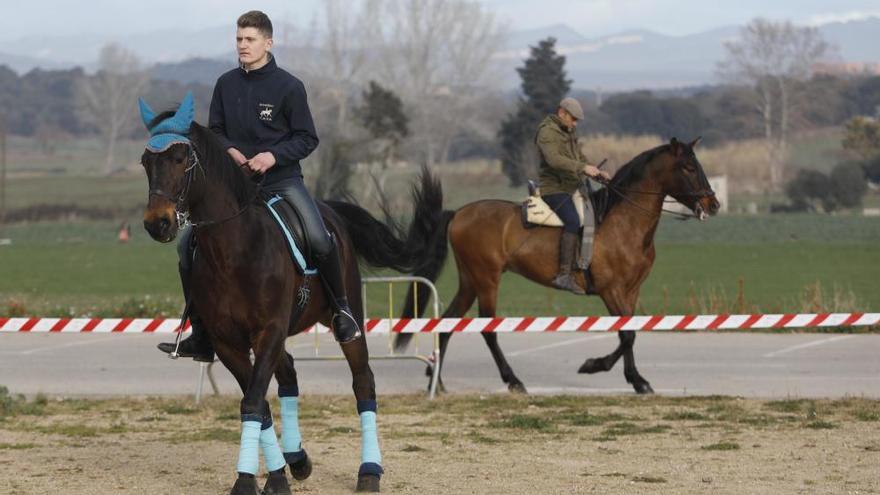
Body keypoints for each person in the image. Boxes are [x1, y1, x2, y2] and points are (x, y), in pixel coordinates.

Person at [158, 10, 361, 362]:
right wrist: (231, 152)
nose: (242, 46)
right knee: (187, 244)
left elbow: (307, 138)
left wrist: (272, 156)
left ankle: (342, 312)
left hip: (282, 182)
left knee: (318, 237)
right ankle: (200, 332)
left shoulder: (289, 87)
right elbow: (215, 132)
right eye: (238, 39)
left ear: (268, 42)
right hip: (236, 190)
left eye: (249, 40)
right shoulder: (225, 84)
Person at [536, 97, 610, 295]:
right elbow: (554, 160)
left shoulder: (568, 130)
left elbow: (578, 158)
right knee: (572, 221)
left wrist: (594, 170)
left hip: (572, 186)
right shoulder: (547, 132)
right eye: (573, 119)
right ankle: (564, 275)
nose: (575, 123)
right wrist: (582, 167)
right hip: (554, 188)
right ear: (562, 113)